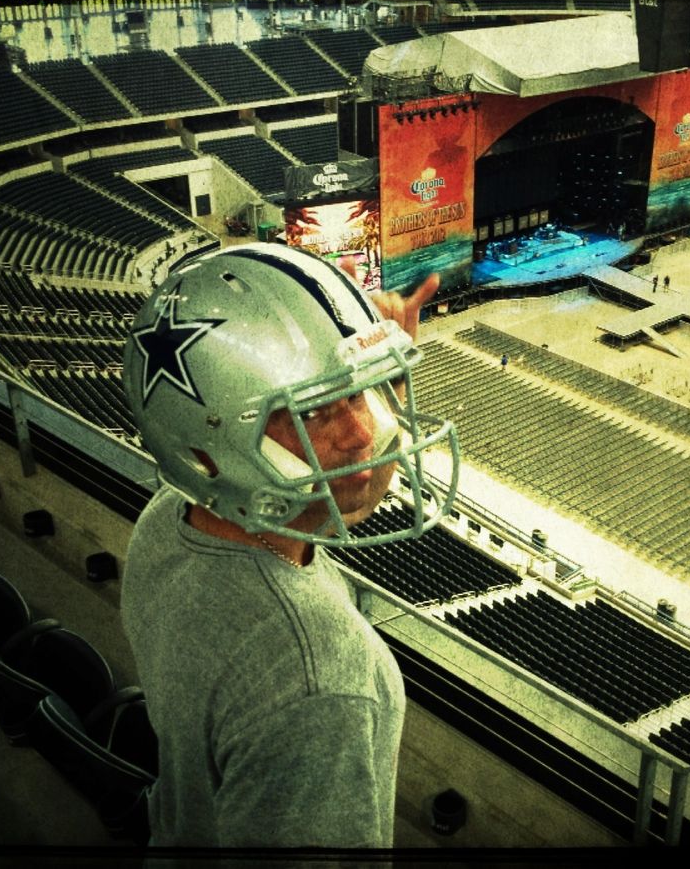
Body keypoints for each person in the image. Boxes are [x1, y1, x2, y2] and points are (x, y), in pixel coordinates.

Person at [119, 243, 461, 847]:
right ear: (211, 442)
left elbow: (347, 486)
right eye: (314, 413)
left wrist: (375, 383)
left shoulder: (170, 521)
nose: (362, 433)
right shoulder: (317, 681)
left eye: (359, 397)